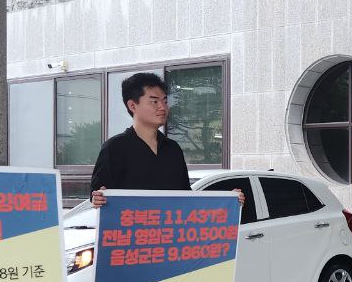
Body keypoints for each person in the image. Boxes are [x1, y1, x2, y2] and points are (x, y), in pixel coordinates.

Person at [89, 72, 243, 210]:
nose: (163, 107)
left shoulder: (173, 149)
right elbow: (98, 195)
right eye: (154, 101)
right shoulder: (115, 148)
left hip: (170, 231)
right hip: (132, 231)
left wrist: (228, 199)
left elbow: (186, 197)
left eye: (165, 101)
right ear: (132, 105)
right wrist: (98, 198)